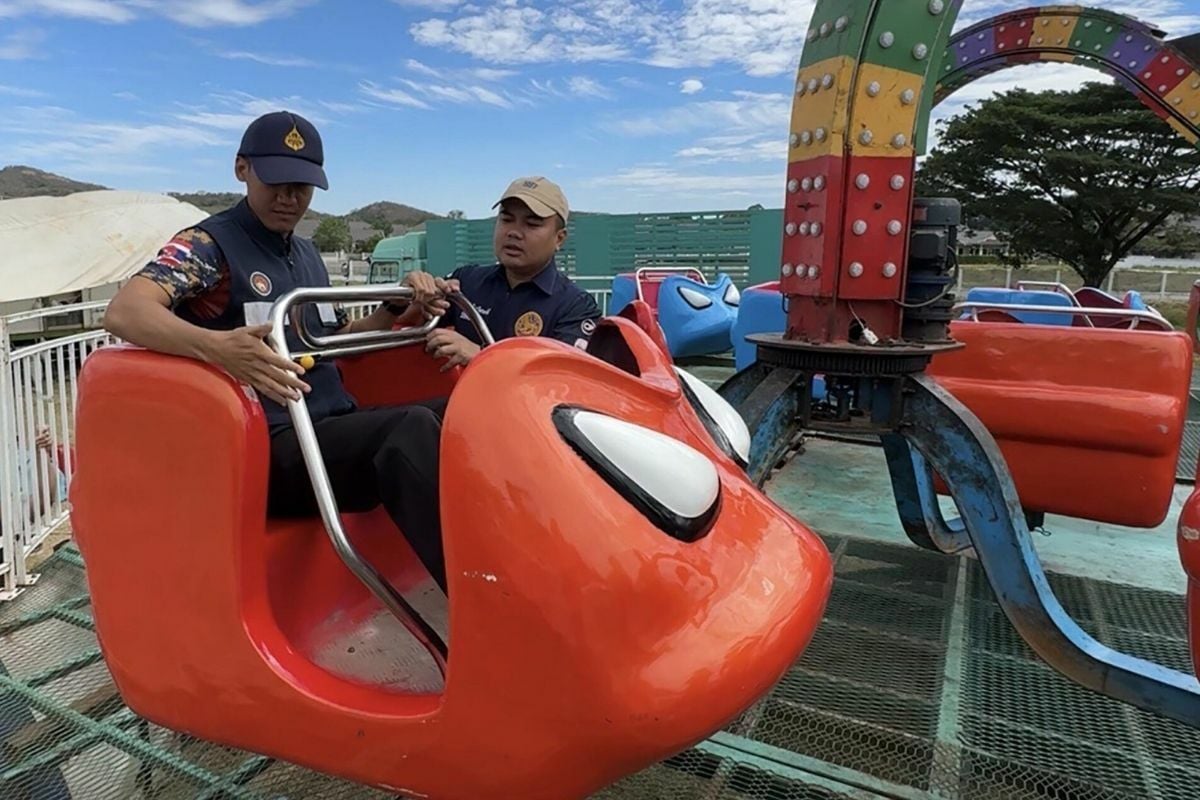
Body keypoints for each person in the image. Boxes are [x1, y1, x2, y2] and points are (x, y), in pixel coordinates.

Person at [102, 111, 452, 593]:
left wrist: (396, 307)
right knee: (408, 430)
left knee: (458, 410)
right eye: (277, 182)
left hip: (325, 428)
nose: (289, 199)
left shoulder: (306, 254)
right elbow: (126, 311)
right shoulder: (207, 246)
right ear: (242, 169)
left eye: (302, 187)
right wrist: (216, 348)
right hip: (266, 446)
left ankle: (523, 566)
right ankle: (486, 605)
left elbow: (333, 340)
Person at [424, 176, 602, 371]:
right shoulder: (466, 281)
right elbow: (396, 331)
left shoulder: (576, 307)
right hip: (455, 401)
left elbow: (562, 383)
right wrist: (402, 299)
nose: (514, 232)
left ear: (559, 239)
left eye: (532, 224)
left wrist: (479, 356)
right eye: (507, 219)